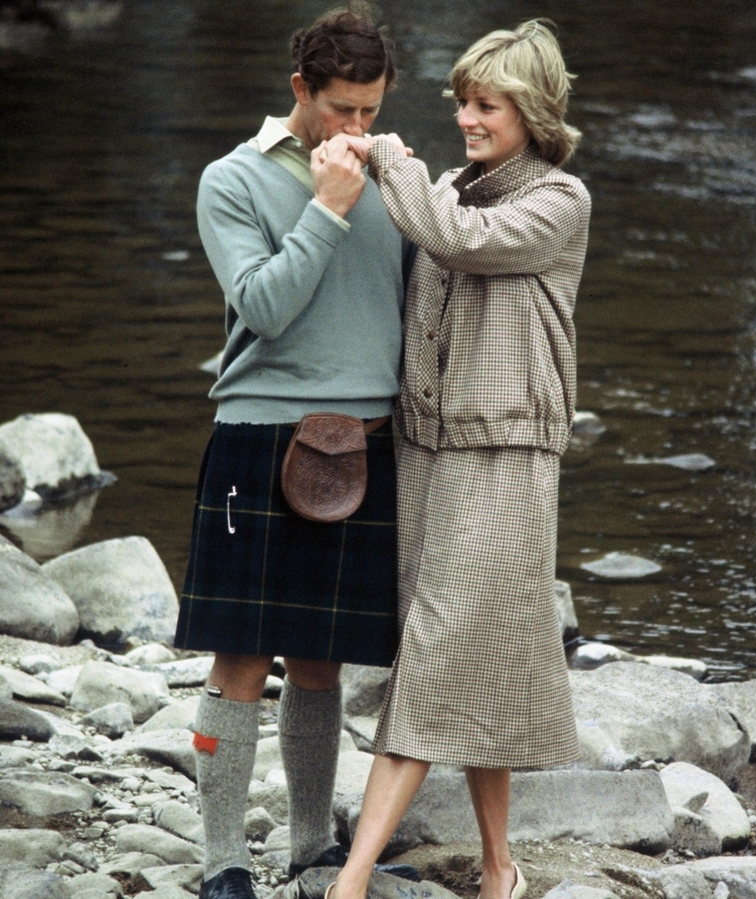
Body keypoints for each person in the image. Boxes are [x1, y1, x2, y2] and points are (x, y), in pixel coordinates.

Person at [326, 19, 591, 899]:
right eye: (464, 104)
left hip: (508, 456)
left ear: (533, 111)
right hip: (430, 452)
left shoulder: (558, 202)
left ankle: (352, 879)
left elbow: (461, 243)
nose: (468, 119)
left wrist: (394, 168)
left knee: (436, 657)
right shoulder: (446, 187)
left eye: (487, 105)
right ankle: (499, 867)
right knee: (474, 652)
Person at [173, 6, 416, 899]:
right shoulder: (229, 181)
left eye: (372, 110)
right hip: (259, 432)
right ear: (299, 92)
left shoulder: (393, 176)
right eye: (342, 110)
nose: (357, 130)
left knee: (322, 657)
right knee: (240, 655)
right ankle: (221, 862)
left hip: (367, 437)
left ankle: (314, 847)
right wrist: (327, 208)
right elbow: (264, 308)